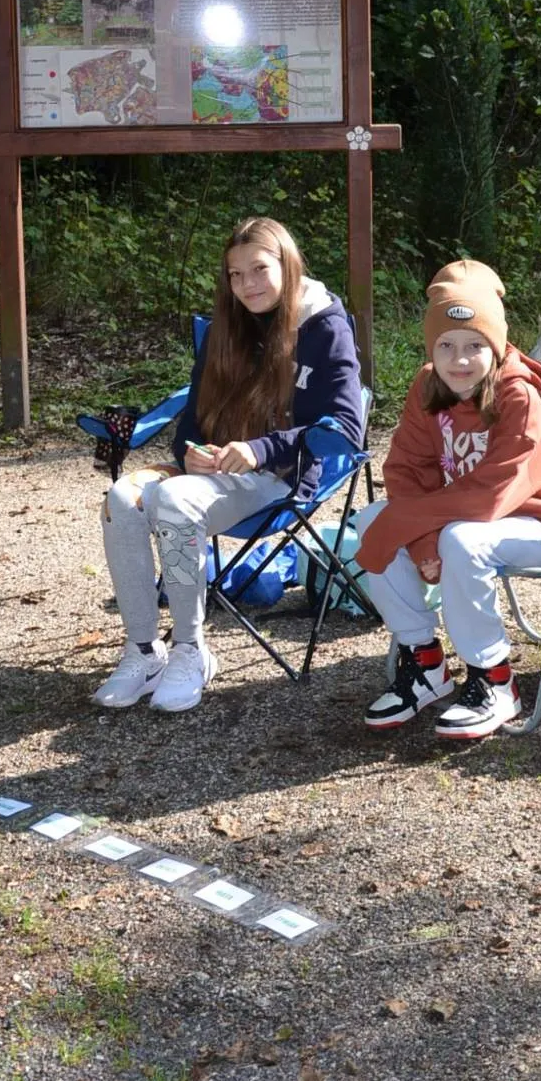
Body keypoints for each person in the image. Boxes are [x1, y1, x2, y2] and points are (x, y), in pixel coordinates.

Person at [94, 216, 364, 713]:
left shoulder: (324, 325)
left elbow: (347, 427)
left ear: (286, 264)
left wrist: (261, 449)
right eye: (235, 275)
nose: (247, 285)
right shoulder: (226, 326)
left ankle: (191, 651)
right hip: (211, 476)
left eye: (259, 269)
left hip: (279, 479)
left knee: (173, 499)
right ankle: (142, 650)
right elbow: (192, 420)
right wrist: (190, 452)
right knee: (121, 498)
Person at [354, 259, 541, 741]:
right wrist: (421, 537)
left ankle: (495, 680)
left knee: (462, 541)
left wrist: (424, 532)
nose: (460, 359)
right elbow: (406, 470)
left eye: (475, 346)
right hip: (459, 519)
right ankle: (424, 662)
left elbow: (493, 494)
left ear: (496, 346)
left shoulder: (519, 399)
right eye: (446, 346)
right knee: (371, 522)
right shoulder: (428, 388)